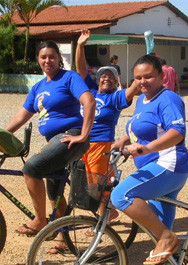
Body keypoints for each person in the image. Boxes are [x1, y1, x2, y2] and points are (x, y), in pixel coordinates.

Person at [110, 54, 188, 265]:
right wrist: (125, 140)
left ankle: (168, 237)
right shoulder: (144, 100)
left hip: (169, 165)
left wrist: (146, 148)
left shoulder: (168, 99)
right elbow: (144, 129)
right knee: (158, 225)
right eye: (138, 78)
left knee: (120, 196)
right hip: (156, 168)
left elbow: (177, 132)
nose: (143, 81)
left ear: (161, 76)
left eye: (148, 76)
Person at [5, 40, 96, 238]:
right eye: (43, 57)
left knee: (31, 169)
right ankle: (63, 239)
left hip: (70, 137)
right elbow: (22, 116)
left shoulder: (69, 77)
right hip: (54, 141)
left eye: (52, 56)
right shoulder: (38, 87)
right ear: (38, 59)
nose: (48, 60)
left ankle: (39, 221)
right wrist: (0, 135)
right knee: (54, 193)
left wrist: (83, 134)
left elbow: (89, 102)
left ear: (59, 59)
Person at [76, 29, 139, 224]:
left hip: (101, 143)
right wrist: (80, 45)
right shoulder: (90, 92)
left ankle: (101, 220)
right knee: (89, 184)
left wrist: (144, 71)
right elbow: (80, 70)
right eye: (103, 76)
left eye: (111, 77)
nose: (106, 79)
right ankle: (107, 214)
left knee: (98, 185)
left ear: (115, 82)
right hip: (83, 143)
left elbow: (133, 89)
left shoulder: (115, 98)